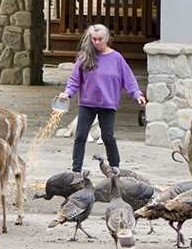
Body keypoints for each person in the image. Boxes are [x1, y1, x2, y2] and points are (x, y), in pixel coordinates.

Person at [58, 24, 147, 173]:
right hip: (87, 103)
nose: (97, 42)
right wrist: (67, 93)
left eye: (100, 39)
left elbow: (128, 79)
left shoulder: (116, 58)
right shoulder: (85, 56)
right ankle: (76, 170)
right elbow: (74, 80)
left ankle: (115, 167)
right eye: (94, 39)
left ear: (107, 39)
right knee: (80, 136)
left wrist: (137, 94)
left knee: (108, 137)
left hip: (108, 104)